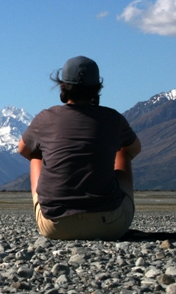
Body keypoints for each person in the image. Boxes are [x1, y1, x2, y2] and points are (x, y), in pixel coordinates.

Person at [18, 56, 141, 240]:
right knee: (123, 150)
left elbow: (23, 150)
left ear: (62, 86)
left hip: (54, 226)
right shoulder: (113, 118)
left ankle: (51, 202)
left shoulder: (45, 118)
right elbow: (135, 149)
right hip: (110, 225)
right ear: (97, 88)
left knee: (36, 153)